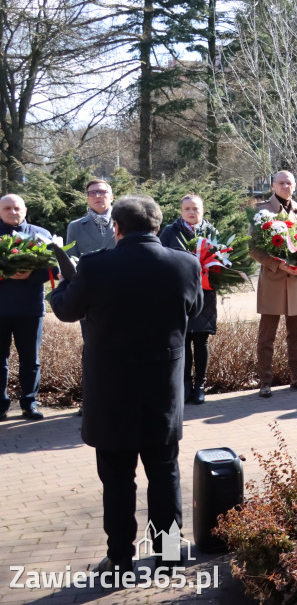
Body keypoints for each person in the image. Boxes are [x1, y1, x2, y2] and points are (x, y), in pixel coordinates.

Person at [49, 195, 203, 577]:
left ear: (116, 228)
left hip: (112, 390)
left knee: (117, 479)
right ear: (156, 226)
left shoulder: (96, 266)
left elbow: (67, 310)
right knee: (164, 472)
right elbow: (194, 309)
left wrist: (56, 287)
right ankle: (168, 552)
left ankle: (120, 558)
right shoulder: (186, 263)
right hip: (163, 389)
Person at [249, 171, 297, 397]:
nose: (286, 186)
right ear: (273, 186)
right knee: (267, 336)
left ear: (295, 186)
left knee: (296, 335)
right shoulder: (262, 211)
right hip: (273, 280)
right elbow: (254, 248)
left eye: (289, 183)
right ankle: (265, 382)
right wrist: (279, 265)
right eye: (281, 182)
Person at [159, 195, 218, 405]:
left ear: (203, 210)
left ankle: (200, 385)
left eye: (195, 208)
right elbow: (161, 258)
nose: (192, 212)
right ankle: (184, 384)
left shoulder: (212, 231)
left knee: (201, 340)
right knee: (182, 340)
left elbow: (222, 259)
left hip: (205, 294)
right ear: (181, 211)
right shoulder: (169, 231)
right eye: (187, 209)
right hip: (178, 294)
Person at [0, 194, 53, 421]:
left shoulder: (41, 234)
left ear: (25, 210)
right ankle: (0, 405)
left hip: (30, 309)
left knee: (30, 359)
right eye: (7, 208)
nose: (13, 212)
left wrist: (30, 274)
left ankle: (29, 403)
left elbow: (52, 266)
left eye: (17, 208)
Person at [66, 179, 116, 259]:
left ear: (111, 197)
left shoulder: (125, 222)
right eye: (92, 193)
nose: (97, 196)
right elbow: (71, 262)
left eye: (102, 192)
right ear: (88, 199)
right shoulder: (75, 227)